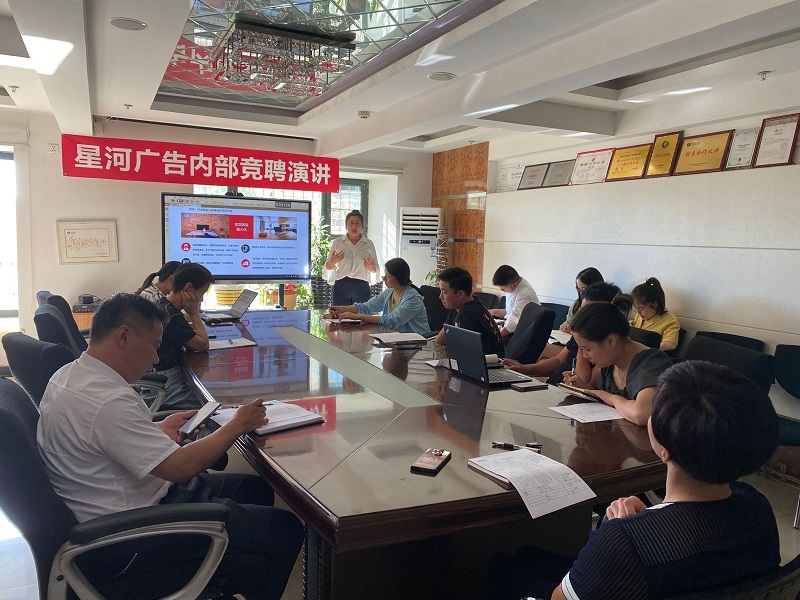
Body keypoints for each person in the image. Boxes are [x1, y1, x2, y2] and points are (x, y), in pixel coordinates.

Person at [36, 293, 304, 600]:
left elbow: (98, 437)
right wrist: (238, 424)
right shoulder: (107, 401)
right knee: (285, 529)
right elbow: (181, 468)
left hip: (129, 501)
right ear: (124, 336)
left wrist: (157, 429)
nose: (156, 359)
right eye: (154, 346)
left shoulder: (70, 374)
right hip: (130, 539)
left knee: (255, 490)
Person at [486, 360, 780, 600]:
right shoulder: (757, 507)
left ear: (664, 447)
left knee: (502, 565)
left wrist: (623, 532)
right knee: (528, 555)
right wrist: (644, 524)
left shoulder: (623, 542)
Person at [564, 302, 672, 426]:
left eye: (587, 349)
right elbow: (611, 404)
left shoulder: (653, 363)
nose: (584, 356)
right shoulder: (610, 362)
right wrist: (586, 390)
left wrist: (611, 398)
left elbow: (641, 414)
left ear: (610, 341)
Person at [500, 282, 622, 382]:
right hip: (555, 385)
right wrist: (523, 369)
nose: (581, 315)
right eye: (582, 309)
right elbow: (558, 360)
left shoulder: (604, 347)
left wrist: (582, 346)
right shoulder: (582, 334)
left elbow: (584, 383)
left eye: (588, 312)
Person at [154, 263, 213, 409]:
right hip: (164, 381)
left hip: (162, 375)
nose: (201, 299)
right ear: (188, 288)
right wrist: (194, 313)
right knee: (210, 406)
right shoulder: (171, 316)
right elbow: (202, 345)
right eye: (202, 293)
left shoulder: (163, 305)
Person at [329, 257, 430, 334]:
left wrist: (358, 317)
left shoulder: (413, 298)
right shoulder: (389, 292)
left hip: (418, 345)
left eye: (388, 276)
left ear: (399, 278)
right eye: (384, 275)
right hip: (397, 341)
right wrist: (341, 309)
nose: (384, 279)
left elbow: (392, 320)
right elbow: (367, 307)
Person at [434, 266, 504, 356]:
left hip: (489, 363)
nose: (440, 297)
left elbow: (463, 355)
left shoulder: (468, 315)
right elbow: (439, 341)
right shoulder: (461, 305)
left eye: (444, 292)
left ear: (460, 294)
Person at [324, 210, 379, 305]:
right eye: (351, 223)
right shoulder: (338, 243)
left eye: (357, 223)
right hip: (341, 285)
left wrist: (371, 268)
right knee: (339, 313)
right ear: (346, 225)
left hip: (362, 285)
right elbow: (328, 267)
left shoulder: (369, 244)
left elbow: (375, 268)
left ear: (362, 226)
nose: (354, 226)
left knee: (361, 313)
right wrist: (333, 262)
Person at [630, 277, 681, 352]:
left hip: (649, 355)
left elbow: (670, 344)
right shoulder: (640, 316)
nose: (638, 312)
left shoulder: (670, 320)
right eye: (636, 308)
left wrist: (642, 349)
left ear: (655, 304)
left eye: (642, 308)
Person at [489, 265, 540, 338]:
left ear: (514, 285)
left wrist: (496, 338)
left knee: (487, 340)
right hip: (514, 329)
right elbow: (509, 312)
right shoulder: (513, 288)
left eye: (504, 289)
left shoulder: (525, 294)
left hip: (525, 334)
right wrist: (490, 312)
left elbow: (513, 322)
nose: (503, 291)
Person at [560, 267, 603, 333]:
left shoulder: (604, 307)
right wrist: (565, 325)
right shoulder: (577, 304)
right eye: (578, 289)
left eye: (583, 289)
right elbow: (568, 321)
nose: (581, 292)